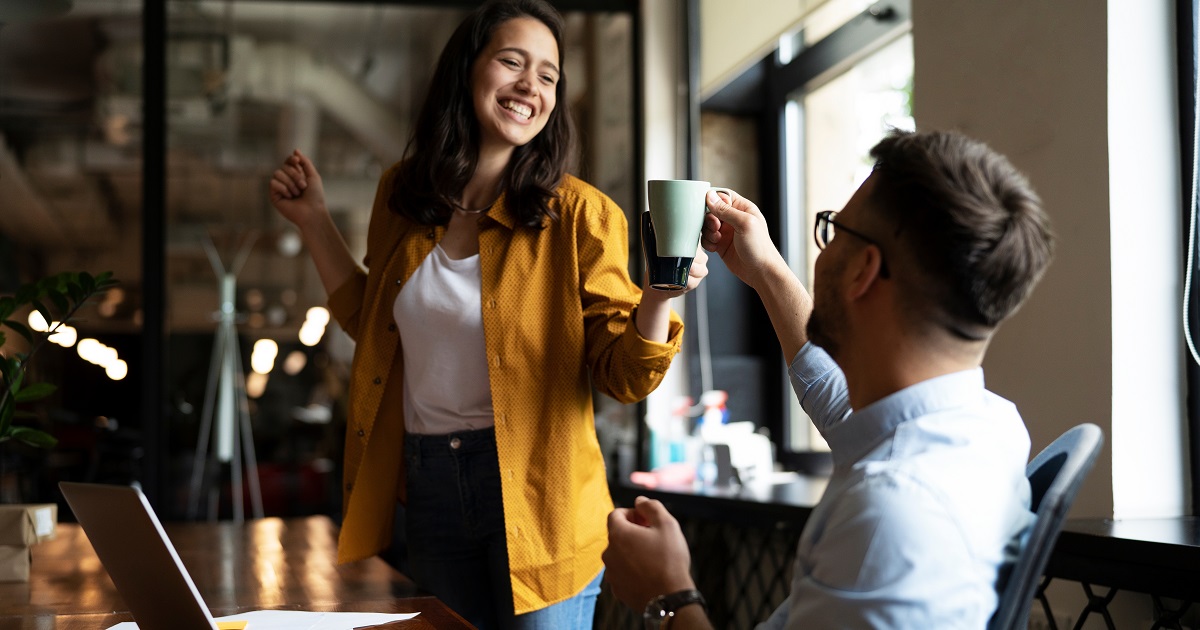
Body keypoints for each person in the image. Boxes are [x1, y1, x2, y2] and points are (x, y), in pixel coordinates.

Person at [268, 1, 708, 627]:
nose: (532, 85)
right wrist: (314, 220)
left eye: (549, 75)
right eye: (512, 61)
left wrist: (660, 295)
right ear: (466, 71)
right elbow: (376, 328)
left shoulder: (582, 216)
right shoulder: (402, 196)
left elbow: (624, 377)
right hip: (430, 489)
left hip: (542, 497)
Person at [603, 129, 1056, 629]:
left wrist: (666, 596)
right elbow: (845, 407)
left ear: (865, 268)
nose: (826, 245)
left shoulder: (888, 515)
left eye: (835, 230)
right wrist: (765, 268)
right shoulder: (990, 428)